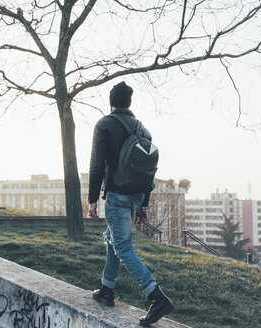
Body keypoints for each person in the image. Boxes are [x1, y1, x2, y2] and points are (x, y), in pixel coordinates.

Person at [88, 81, 175, 326]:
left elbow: (96, 163)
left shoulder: (104, 124)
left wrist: (92, 199)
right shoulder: (143, 130)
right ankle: (107, 289)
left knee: (123, 246)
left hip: (117, 195)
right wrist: (144, 205)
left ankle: (156, 297)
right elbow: (149, 172)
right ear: (129, 102)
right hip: (137, 196)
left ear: (111, 101)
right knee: (112, 238)